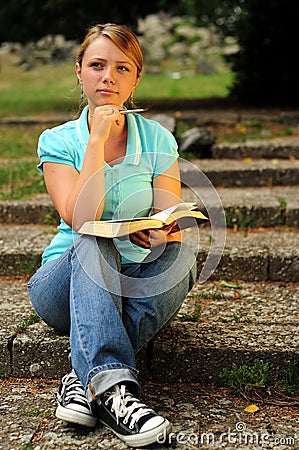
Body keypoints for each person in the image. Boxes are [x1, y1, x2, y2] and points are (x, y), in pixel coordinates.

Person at [27, 23, 197, 448]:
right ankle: (116, 390)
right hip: (62, 286)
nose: (109, 77)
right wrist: (99, 139)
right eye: (98, 65)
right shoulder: (59, 141)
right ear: (80, 72)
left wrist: (159, 233)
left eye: (122, 68)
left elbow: (167, 215)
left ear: (136, 78)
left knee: (182, 256)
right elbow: (82, 216)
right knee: (92, 235)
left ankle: (84, 376)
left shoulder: (158, 139)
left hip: (131, 278)